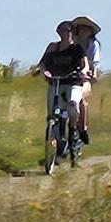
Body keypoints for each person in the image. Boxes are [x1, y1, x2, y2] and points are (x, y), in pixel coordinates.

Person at [34, 20, 89, 153]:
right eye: (61, 31)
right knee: (52, 114)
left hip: (72, 82)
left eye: (66, 31)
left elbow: (85, 64)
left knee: (72, 105)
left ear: (72, 33)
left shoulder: (77, 48)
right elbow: (42, 63)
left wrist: (83, 72)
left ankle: (72, 130)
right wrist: (40, 71)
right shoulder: (53, 47)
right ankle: (52, 142)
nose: (64, 34)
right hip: (56, 82)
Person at [70, 16, 101, 144]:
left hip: (85, 76)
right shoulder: (72, 42)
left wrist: (92, 73)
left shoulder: (93, 44)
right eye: (81, 28)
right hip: (70, 74)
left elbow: (95, 62)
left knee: (82, 100)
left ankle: (83, 129)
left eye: (86, 28)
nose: (84, 31)